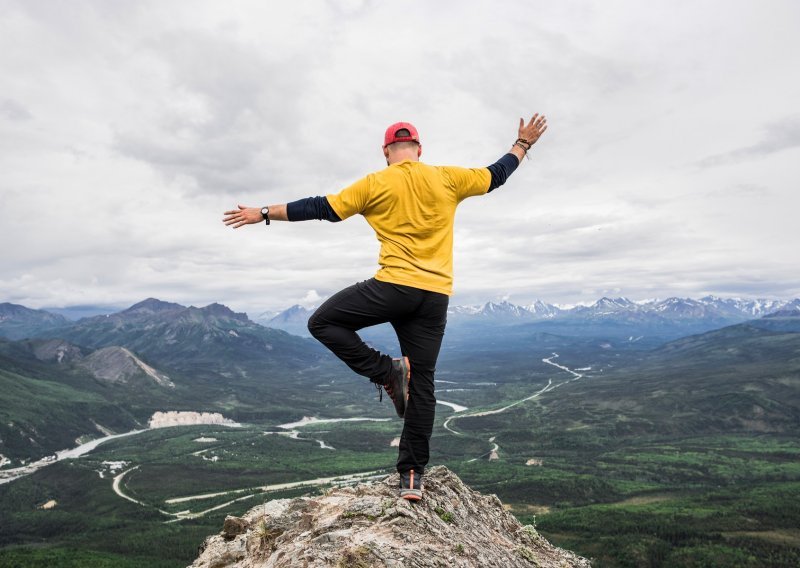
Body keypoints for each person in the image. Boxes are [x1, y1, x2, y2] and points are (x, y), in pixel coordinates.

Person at [223, 114, 548, 500]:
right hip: (435, 296)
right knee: (424, 382)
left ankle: (387, 371)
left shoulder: (376, 183)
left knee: (323, 322)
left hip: (393, 287)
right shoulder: (448, 177)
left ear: (386, 152)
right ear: (419, 150)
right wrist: (522, 144)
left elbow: (320, 207)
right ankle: (412, 476)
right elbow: (496, 174)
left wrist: (262, 213)